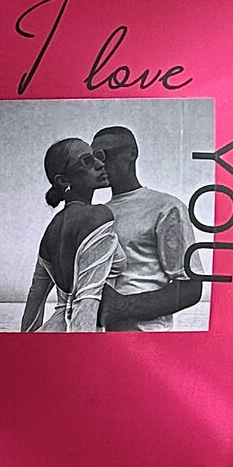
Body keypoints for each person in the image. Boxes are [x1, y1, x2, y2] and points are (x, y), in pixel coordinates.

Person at [90, 125, 202, 331]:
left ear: (132, 153)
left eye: (103, 155)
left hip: (147, 338)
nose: (99, 164)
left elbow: (191, 287)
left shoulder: (166, 207)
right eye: (91, 159)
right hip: (100, 339)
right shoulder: (95, 215)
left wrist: (121, 307)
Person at [21, 138, 119, 331]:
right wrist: (81, 348)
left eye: (97, 157)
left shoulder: (51, 230)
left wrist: (25, 345)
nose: (100, 164)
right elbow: (87, 300)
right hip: (81, 334)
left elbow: (35, 300)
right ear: (63, 180)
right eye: (87, 161)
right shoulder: (98, 215)